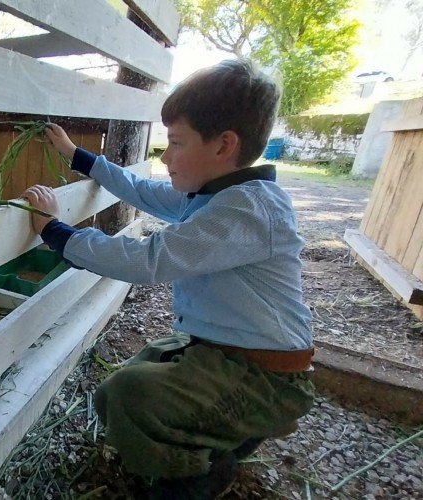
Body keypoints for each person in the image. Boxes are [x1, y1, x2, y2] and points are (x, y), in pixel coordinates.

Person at [22, 59, 315, 499]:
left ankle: (197, 476)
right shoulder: (215, 195)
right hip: (219, 354)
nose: (164, 155)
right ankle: (228, 430)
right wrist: (77, 156)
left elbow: (149, 260)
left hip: (265, 377)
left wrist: (55, 231)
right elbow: (142, 191)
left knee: (129, 395)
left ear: (223, 146)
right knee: (112, 396)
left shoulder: (247, 211)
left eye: (175, 142)